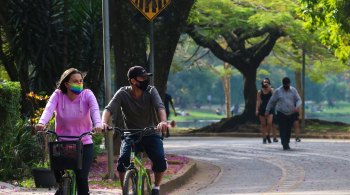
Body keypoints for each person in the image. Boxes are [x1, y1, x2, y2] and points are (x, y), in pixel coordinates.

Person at [35, 68, 103, 195]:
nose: (79, 84)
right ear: (66, 84)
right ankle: (62, 188)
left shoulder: (87, 94)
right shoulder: (58, 95)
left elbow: (94, 110)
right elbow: (49, 109)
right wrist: (41, 123)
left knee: (82, 178)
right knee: (59, 176)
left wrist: (98, 124)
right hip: (62, 144)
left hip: (84, 144)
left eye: (80, 81)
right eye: (75, 81)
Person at [101, 66, 168, 195]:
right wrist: (103, 122)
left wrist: (163, 121)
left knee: (159, 159)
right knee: (123, 162)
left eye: (146, 77)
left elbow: (160, 107)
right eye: (142, 77)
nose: (146, 80)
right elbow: (108, 109)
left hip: (151, 133)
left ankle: (156, 186)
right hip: (131, 134)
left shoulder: (151, 91)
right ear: (133, 81)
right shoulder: (122, 93)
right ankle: (124, 190)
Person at [265, 77, 302, 150]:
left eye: (287, 85)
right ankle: (284, 144)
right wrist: (267, 110)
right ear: (283, 84)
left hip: (291, 113)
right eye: (285, 85)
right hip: (281, 113)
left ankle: (287, 142)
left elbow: (298, 99)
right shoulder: (278, 91)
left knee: (288, 129)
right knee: (282, 128)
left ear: (289, 84)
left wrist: (297, 106)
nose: (286, 87)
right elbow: (272, 101)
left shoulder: (293, 90)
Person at [256, 78, 278, 144]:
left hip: (270, 108)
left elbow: (275, 97)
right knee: (263, 124)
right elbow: (258, 101)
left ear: (269, 83)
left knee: (269, 123)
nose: (265, 83)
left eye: (267, 82)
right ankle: (264, 138)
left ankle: (268, 135)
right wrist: (257, 109)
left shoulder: (271, 90)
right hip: (262, 108)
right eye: (264, 82)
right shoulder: (260, 92)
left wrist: (270, 89)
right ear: (262, 83)